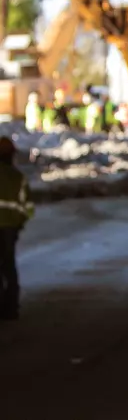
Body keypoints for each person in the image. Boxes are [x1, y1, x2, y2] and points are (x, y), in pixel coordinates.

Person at [0, 136, 32, 320]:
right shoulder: (18, 177)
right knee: (8, 266)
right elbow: (27, 206)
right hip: (10, 227)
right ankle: (10, 308)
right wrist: (19, 223)